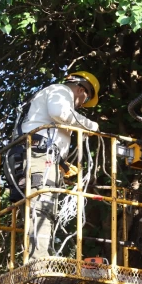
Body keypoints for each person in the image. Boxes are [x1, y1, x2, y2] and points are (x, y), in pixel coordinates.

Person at [18, 71, 101, 260]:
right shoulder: (60, 91)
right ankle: (39, 259)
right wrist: (91, 126)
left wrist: (63, 164)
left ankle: (41, 253)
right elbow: (60, 113)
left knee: (44, 205)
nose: (81, 105)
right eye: (84, 99)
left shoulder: (49, 95)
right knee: (43, 204)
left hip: (42, 156)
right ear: (81, 90)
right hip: (41, 155)